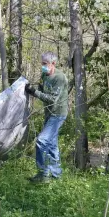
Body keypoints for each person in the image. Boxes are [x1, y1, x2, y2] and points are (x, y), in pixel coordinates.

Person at [25, 51, 68, 183]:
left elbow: (52, 99)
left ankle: (43, 174)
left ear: (53, 64)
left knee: (42, 141)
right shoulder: (45, 74)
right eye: (42, 63)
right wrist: (34, 88)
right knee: (52, 144)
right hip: (49, 114)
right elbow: (42, 89)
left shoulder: (59, 78)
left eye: (45, 64)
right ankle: (56, 175)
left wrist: (34, 92)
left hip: (58, 114)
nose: (43, 66)